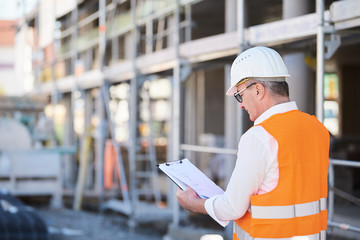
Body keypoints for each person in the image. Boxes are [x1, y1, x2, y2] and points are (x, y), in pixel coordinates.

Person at [176, 46, 330, 240]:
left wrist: (193, 204)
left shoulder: (259, 136)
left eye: (239, 95)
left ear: (258, 90)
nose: (240, 104)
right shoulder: (317, 128)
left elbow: (232, 207)